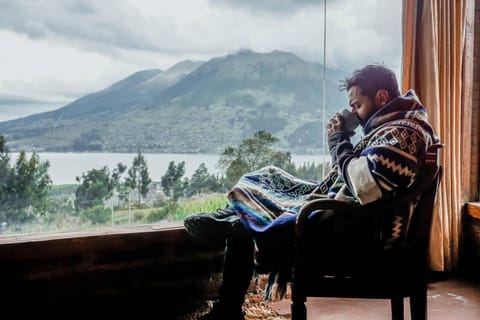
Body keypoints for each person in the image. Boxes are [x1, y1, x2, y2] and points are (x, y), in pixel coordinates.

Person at [184, 63, 438, 320]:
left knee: (243, 229)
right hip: (349, 215)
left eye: (357, 106)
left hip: (356, 234)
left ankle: (228, 296)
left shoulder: (402, 133)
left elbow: (365, 187)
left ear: (381, 98)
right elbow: (360, 177)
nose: (355, 114)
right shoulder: (398, 124)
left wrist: (339, 140)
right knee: (269, 176)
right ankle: (226, 216)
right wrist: (347, 133)